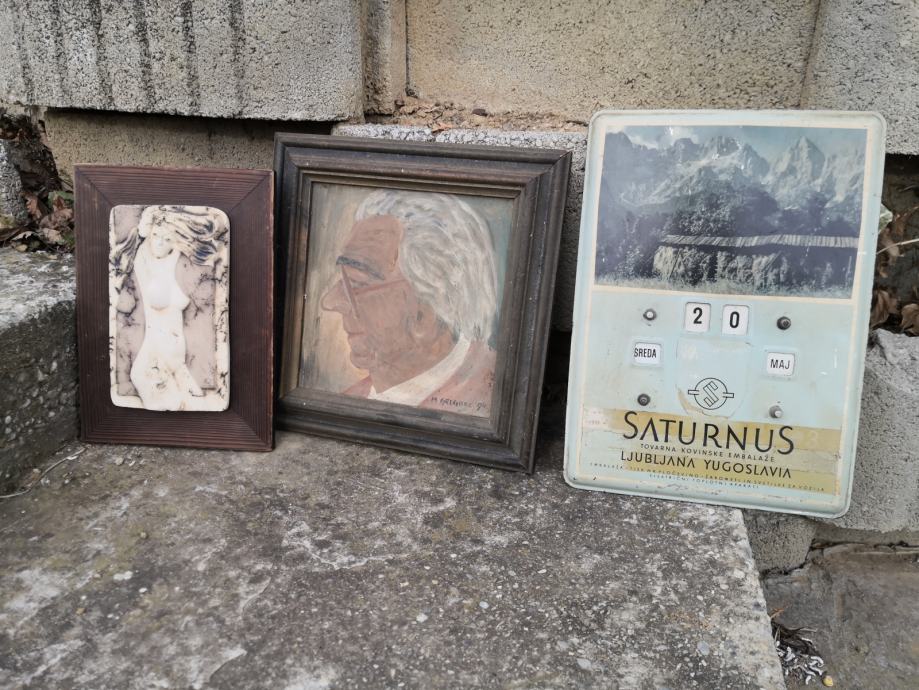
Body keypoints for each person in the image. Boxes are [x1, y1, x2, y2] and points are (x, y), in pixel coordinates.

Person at [320, 190, 499, 417]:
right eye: (343, 280)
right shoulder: (347, 402)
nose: (330, 301)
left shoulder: (491, 400)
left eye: (356, 283)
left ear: (427, 311)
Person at [111, 205, 228, 411]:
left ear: (174, 242)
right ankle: (179, 400)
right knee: (146, 379)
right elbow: (142, 239)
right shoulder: (144, 259)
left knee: (156, 384)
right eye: (156, 236)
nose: (159, 243)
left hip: (169, 347)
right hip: (159, 345)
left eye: (166, 239)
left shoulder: (175, 262)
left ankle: (179, 401)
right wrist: (149, 224)